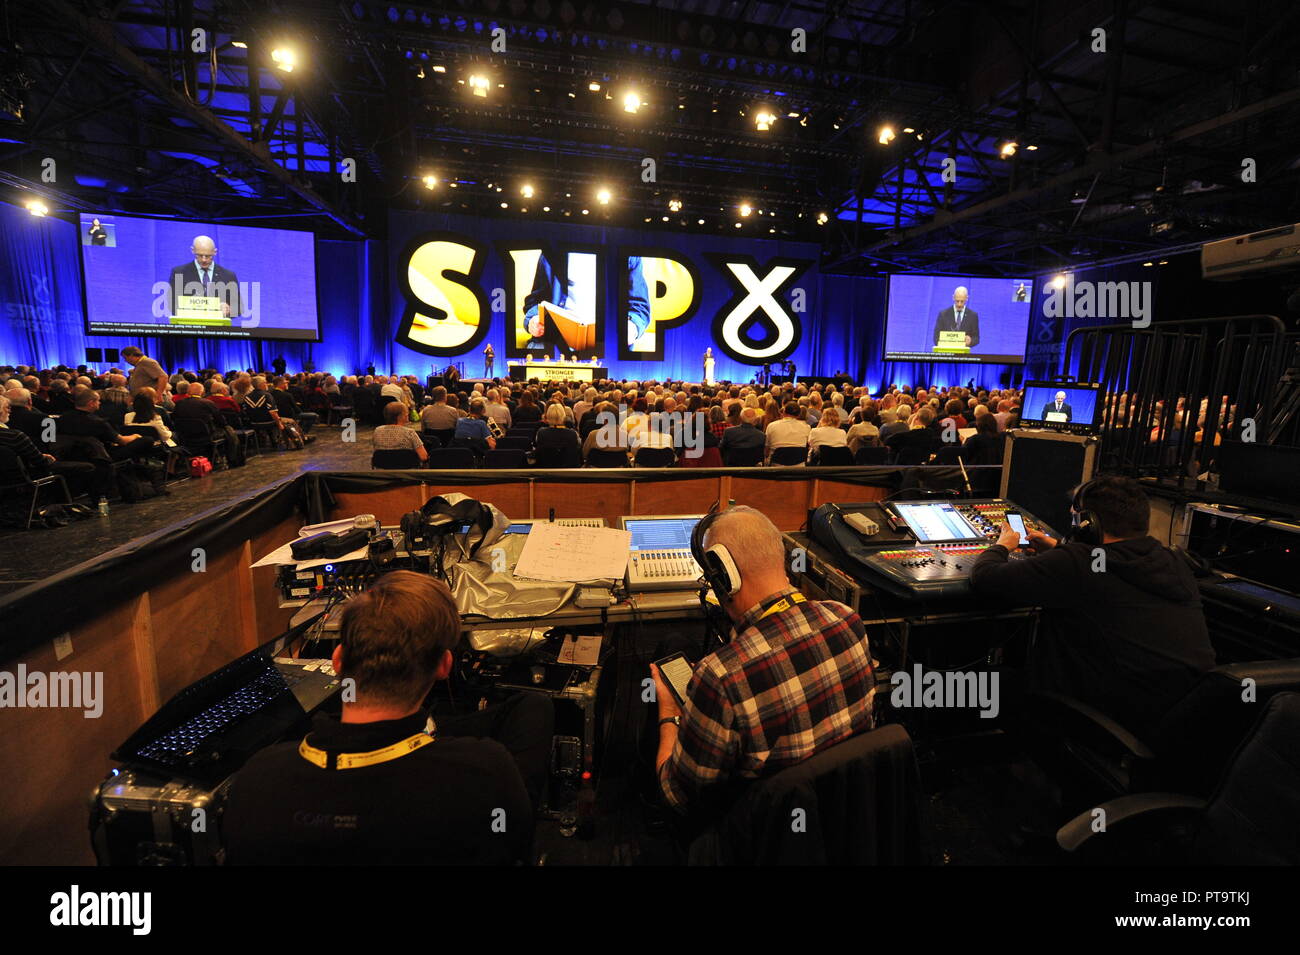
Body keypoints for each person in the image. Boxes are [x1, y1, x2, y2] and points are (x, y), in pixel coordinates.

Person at [223, 571, 551, 865]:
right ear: (444, 666)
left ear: (338, 660)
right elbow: (515, 844)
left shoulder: (259, 779)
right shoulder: (485, 771)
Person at [650, 507, 876, 815]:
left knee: (672, 650)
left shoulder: (720, 676)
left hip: (759, 834)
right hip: (839, 814)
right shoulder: (847, 619)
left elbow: (677, 796)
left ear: (724, 576)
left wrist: (669, 714)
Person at [969, 476, 1215, 739]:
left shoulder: (1076, 562)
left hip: (1100, 719)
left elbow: (985, 578)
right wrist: (1060, 548)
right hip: (1174, 722)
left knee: (978, 682)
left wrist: (1001, 545)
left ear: (1087, 524)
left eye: (1074, 515)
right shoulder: (1172, 560)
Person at [167, 235, 240, 319]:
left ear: (215, 252)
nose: (204, 260)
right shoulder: (179, 273)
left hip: (217, 330)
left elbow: (237, 308)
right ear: (192, 250)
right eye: (200, 255)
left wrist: (228, 310)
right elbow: (172, 305)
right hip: (190, 328)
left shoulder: (228, 275)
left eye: (208, 256)